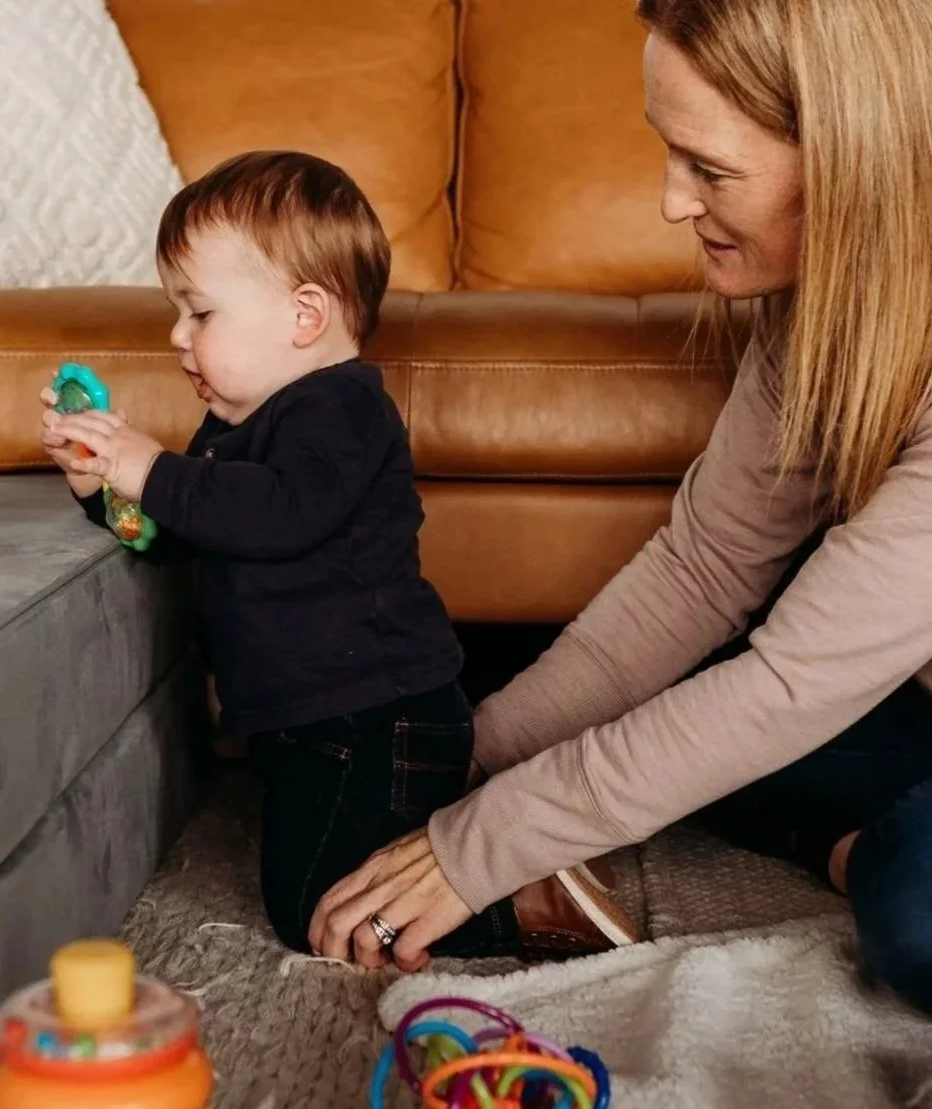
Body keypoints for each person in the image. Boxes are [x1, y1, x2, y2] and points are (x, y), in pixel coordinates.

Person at [309, 0, 932, 1035]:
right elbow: (705, 570)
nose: (672, 202)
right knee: (573, 693)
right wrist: (465, 766)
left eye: (706, 170)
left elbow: (796, 680)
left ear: (858, 158)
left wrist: (475, 844)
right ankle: (855, 828)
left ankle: (866, 845)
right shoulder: (831, 290)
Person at [37, 150, 638, 960]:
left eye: (199, 312)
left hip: (372, 715)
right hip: (316, 722)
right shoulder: (231, 426)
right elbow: (194, 529)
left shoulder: (342, 409)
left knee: (317, 907)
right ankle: (454, 831)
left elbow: (282, 514)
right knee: (348, 856)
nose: (176, 336)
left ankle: (527, 899)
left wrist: (148, 467)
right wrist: (102, 490)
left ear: (304, 316)